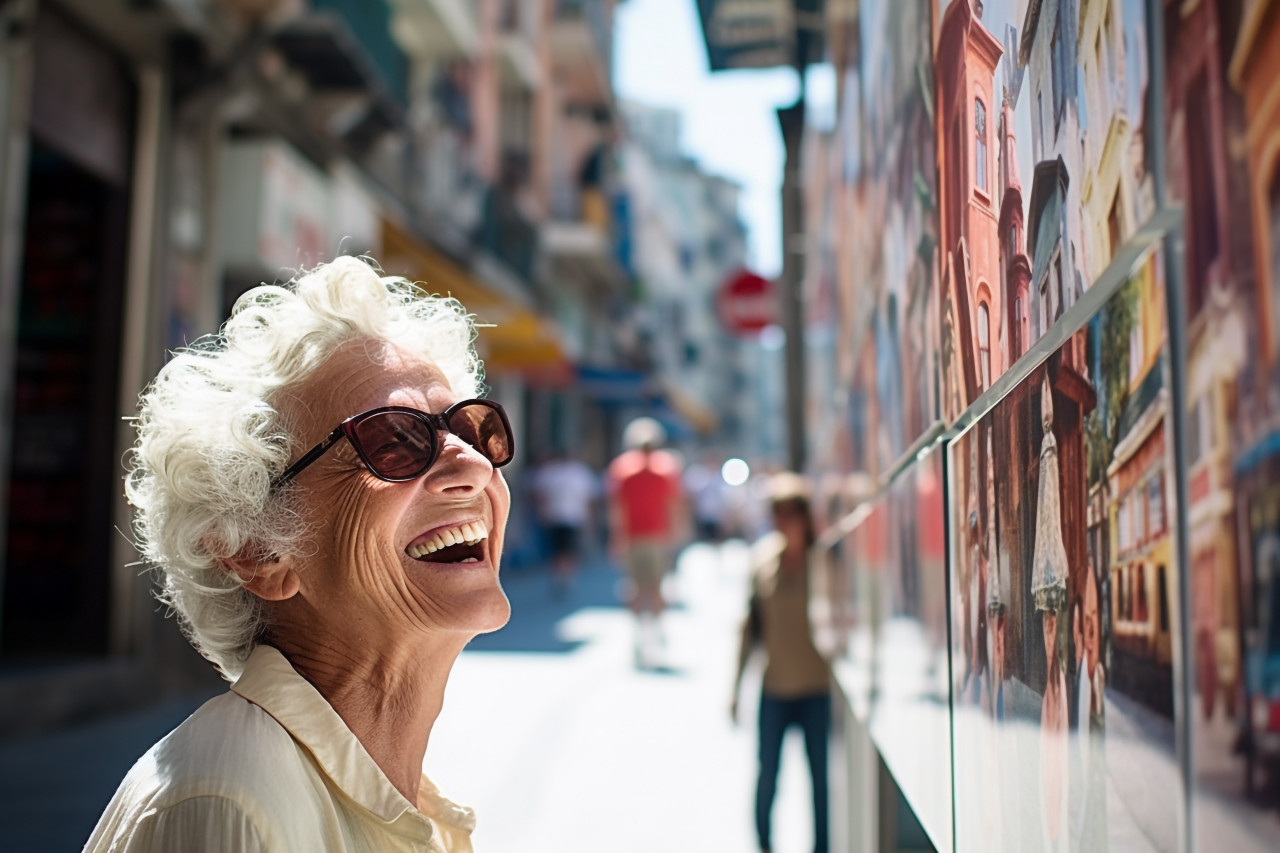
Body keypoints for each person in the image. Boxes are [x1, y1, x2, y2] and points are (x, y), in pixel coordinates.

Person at [84, 257, 516, 852]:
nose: (471, 462)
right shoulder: (232, 802)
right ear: (257, 550)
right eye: (393, 439)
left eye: (470, 429)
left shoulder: (396, 799)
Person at [731, 473, 831, 853]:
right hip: (774, 688)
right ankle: (764, 844)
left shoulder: (822, 562)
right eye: (778, 512)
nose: (785, 520)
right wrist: (735, 689)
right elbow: (748, 630)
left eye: (793, 512)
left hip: (815, 688)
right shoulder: (762, 564)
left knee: (820, 781)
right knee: (767, 776)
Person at [605, 416, 686, 667]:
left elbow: (617, 510)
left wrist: (616, 539)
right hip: (657, 537)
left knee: (635, 588)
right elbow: (674, 505)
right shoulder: (668, 468)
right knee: (657, 587)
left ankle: (640, 635)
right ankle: (657, 630)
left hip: (633, 537)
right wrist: (677, 534)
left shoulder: (620, 468)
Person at [528, 448, 601, 597]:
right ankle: (563, 576)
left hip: (562, 518)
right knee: (564, 550)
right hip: (568, 518)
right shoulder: (577, 472)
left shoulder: (555, 472)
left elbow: (538, 494)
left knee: (561, 550)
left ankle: (562, 576)